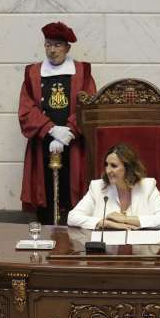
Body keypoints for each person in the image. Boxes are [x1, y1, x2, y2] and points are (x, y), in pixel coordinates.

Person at [19, 21, 97, 225]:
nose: (52, 50)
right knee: (44, 197)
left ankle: (72, 245)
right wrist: (51, 130)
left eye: (57, 45)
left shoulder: (82, 72)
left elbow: (88, 107)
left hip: (74, 146)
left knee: (74, 195)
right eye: (48, 44)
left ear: (67, 47)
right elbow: (26, 110)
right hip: (42, 146)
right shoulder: (33, 74)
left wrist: (68, 133)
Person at [67, 143, 160, 230]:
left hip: (141, 249)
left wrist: (125, 219)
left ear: (128, 167)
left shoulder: (147, 186)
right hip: (108, 251)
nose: (108, 170)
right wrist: (105, 223)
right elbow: (72, 217)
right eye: (106, 165)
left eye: (114, 166)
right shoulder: (97, 187)